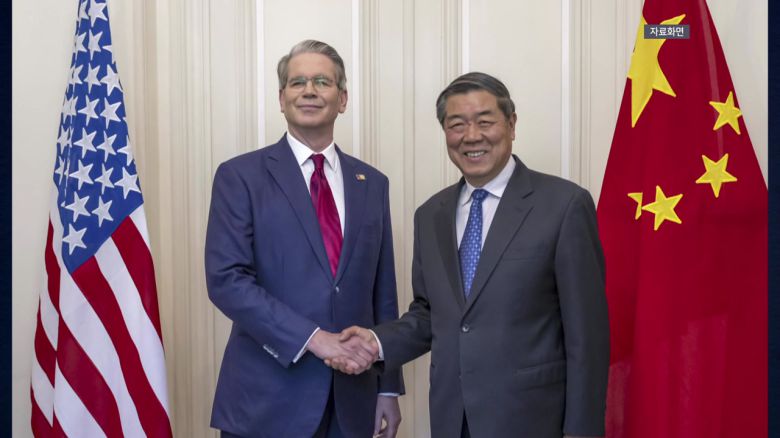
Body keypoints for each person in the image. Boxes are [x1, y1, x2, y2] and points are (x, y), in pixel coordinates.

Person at [331, 72, 609, 438]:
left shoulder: (564, 205)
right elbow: (430, 314)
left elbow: (587, 336)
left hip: (533, 420)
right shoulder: (430, 215)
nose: (472, 136)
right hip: (452, 419)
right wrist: (376, 342)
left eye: (485, 121)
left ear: (511, 124)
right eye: (457, 125)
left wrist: (582, 431)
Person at [205, 39, 403, 438]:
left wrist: (388, 386)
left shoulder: (372, 183)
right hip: (266, 401)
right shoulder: (240, 176)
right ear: (282, 99)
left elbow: (383, 292)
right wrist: (314, 340)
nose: (309, 90)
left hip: (353, 401)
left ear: (342, 99)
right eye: (297, 82)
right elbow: (227, 281)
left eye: (322, 82)